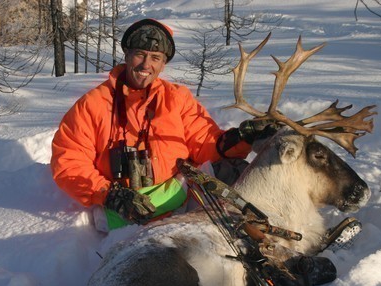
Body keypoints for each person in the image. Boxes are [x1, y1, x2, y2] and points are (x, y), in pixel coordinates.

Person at [51, 19, 277, 230]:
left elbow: (206, 144)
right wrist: (110, 194)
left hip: (178, 196)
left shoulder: (176, 98)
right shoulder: (93, 105)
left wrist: (240, 138)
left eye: (155, 57)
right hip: (123, 213)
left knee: (238, 172)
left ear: (163, 63)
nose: (146, 65)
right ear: (127, 55)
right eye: (140, 54)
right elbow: (69, 161)